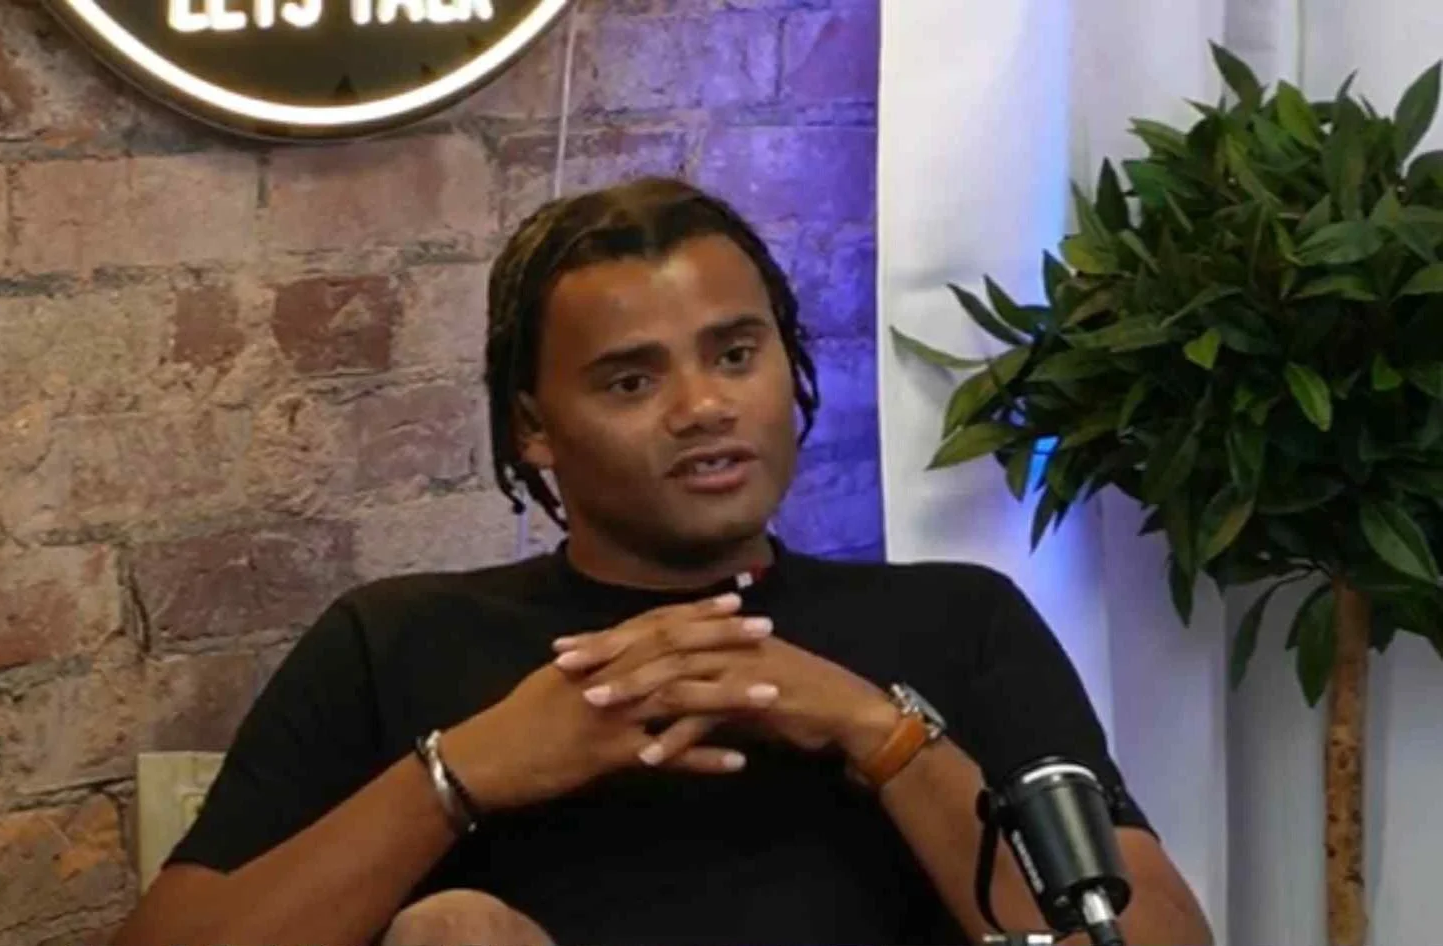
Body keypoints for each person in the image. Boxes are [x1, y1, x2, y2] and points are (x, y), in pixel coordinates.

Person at [112, 177, 1213, 946]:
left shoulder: (956, 623)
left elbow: (1150, 938)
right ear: (533, 428)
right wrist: (462, 774)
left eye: (734, 354)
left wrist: (875, 733)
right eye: (631, 381)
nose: (702, 407)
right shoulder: (394, 642)